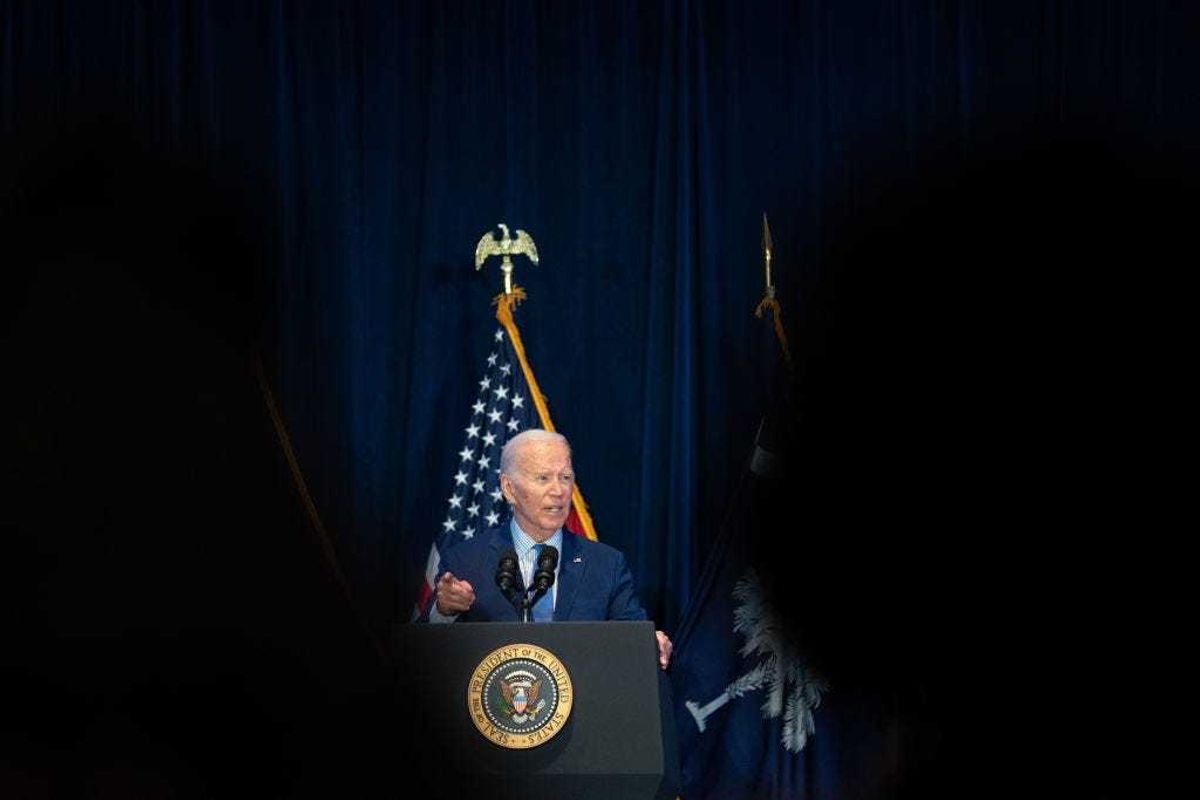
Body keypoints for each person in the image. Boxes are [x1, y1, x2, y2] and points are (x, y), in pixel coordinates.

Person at [422, 429, 672, 670]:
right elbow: (424, 656)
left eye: (565, 478)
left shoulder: (606, 564)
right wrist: (443, 611)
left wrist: (649, 643)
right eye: (543, 478)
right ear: (509, 489)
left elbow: (632, 631)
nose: (559, 491)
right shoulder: (465, 561)